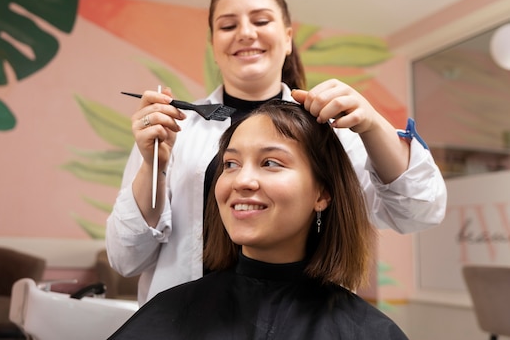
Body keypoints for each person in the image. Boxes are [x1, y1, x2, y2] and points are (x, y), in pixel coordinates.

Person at [106, 0, 446, 305]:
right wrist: (153, 165)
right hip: (189, 323)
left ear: (287, 39)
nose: (245, 33)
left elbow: (420, 211)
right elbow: (126, 260)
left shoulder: (329, 128)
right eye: (228, 26)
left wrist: (371, 123)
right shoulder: (172, 134)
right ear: (214, 46)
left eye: (261, 21)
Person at [109, 101, 409, 339]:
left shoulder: (369, 331)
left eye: (270, 163)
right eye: (231, 164)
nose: (242, 180)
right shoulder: (169, 313)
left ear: (322, 193)